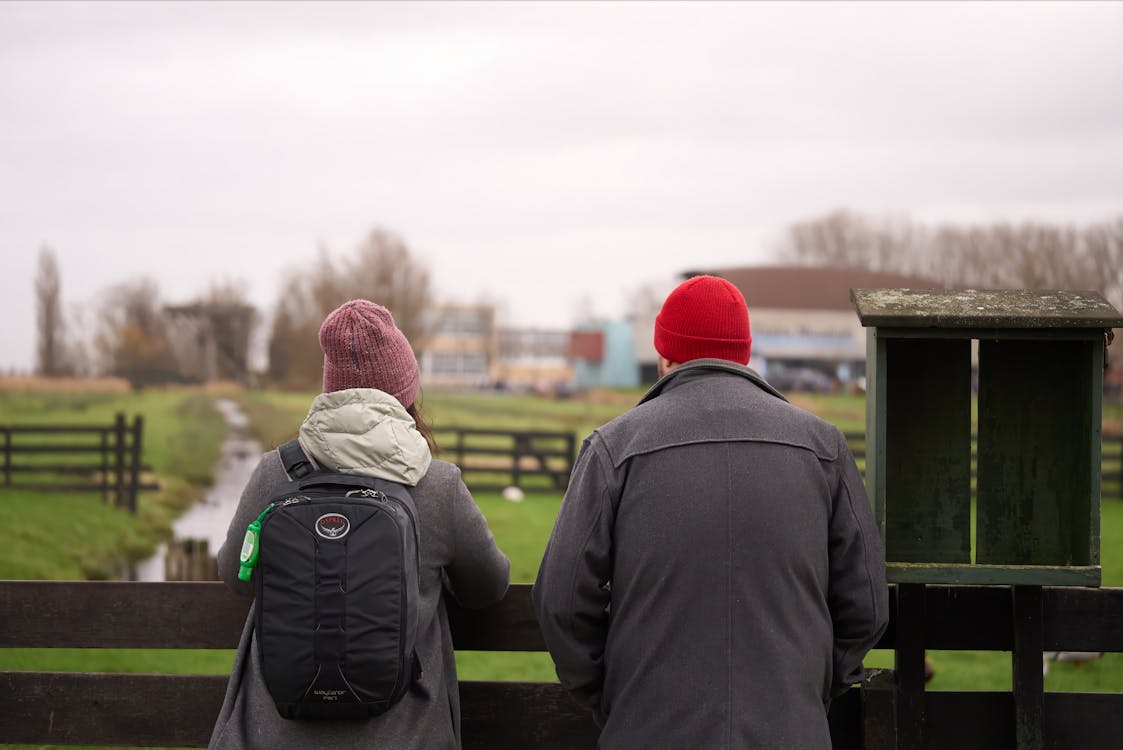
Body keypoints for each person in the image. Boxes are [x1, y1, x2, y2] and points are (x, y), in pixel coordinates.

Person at [533, 275, 888, 749]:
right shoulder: (822, 447)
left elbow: (561, 601)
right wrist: (810, 690)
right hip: (791, 730)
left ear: (665, 353)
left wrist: (613, 696)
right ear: (743, 353)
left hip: (647, 731)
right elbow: (866, 602)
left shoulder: (614, 448)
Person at [209, 299, 510, 750]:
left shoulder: (276, 474)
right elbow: (488, 585)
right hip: (406, 737)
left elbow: (235, 574)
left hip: (274, 735)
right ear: (405, 392)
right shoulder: (437, 484)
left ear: (331, 390)